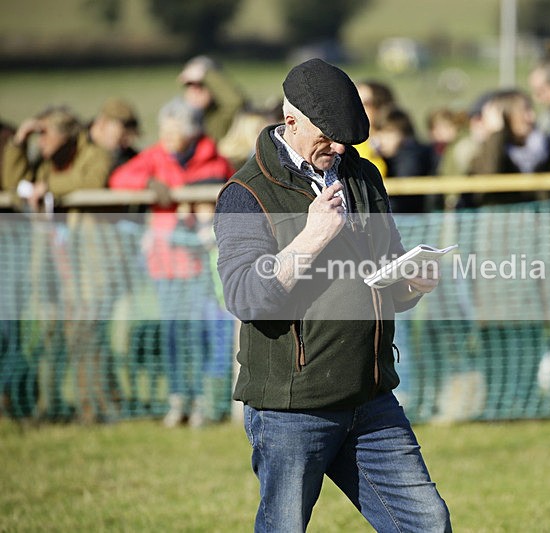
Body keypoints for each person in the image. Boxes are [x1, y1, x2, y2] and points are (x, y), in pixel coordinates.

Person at [214, 58, 451, 532]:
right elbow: (245, 296)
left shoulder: (363, 176)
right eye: (327, 135)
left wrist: (410, 284)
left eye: (347, 135)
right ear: (291, 121)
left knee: (427, 523)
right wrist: (311, 237)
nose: (340, 146)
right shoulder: (245, 193)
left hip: (370, 397)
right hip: (291, 408)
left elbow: (387, 267)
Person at [109, 96, 235, 427]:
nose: (166, 138)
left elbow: (227, 186)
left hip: (201, 263)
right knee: (173, 334)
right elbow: (119, 178)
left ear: (191, 132)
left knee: (203, 335)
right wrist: (149, 183)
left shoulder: (213, 159)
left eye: (172, 132)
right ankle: (178, 398)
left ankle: (206, 402)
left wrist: (181, 191)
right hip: (164, 263)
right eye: (163, 132)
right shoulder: (155, 157)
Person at [3, 106, 112, 211]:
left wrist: (48, 186)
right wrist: (18, 143)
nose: (40, 142)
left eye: (44, 133)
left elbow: (93, 182)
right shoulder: (45, 164)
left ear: (63, 134)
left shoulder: (95, 154)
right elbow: (15, 186)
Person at [373, 105, 437, 212]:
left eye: (388, 133)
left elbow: (400, 200)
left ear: (404, 134)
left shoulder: (411, 156)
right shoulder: (387, 158)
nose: (381, 139)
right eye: (379, 133)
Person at [179, 55, 248, 143]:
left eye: (201, 85)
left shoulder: (218, 116)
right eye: (189, 85)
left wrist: (206, 74)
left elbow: (234, 102)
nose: (195, 91)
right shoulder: (179, 116)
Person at [354, 79, 396, 176]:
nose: (356, 107)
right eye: (353, 101)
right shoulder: (341, 144)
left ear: (381, 106)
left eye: (364, 103)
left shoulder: (399, 143)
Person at [88, 97, 141, 172]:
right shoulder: (75, 147)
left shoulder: (129, 156)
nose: (127, 143)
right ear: (102, 123)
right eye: (122, 136)